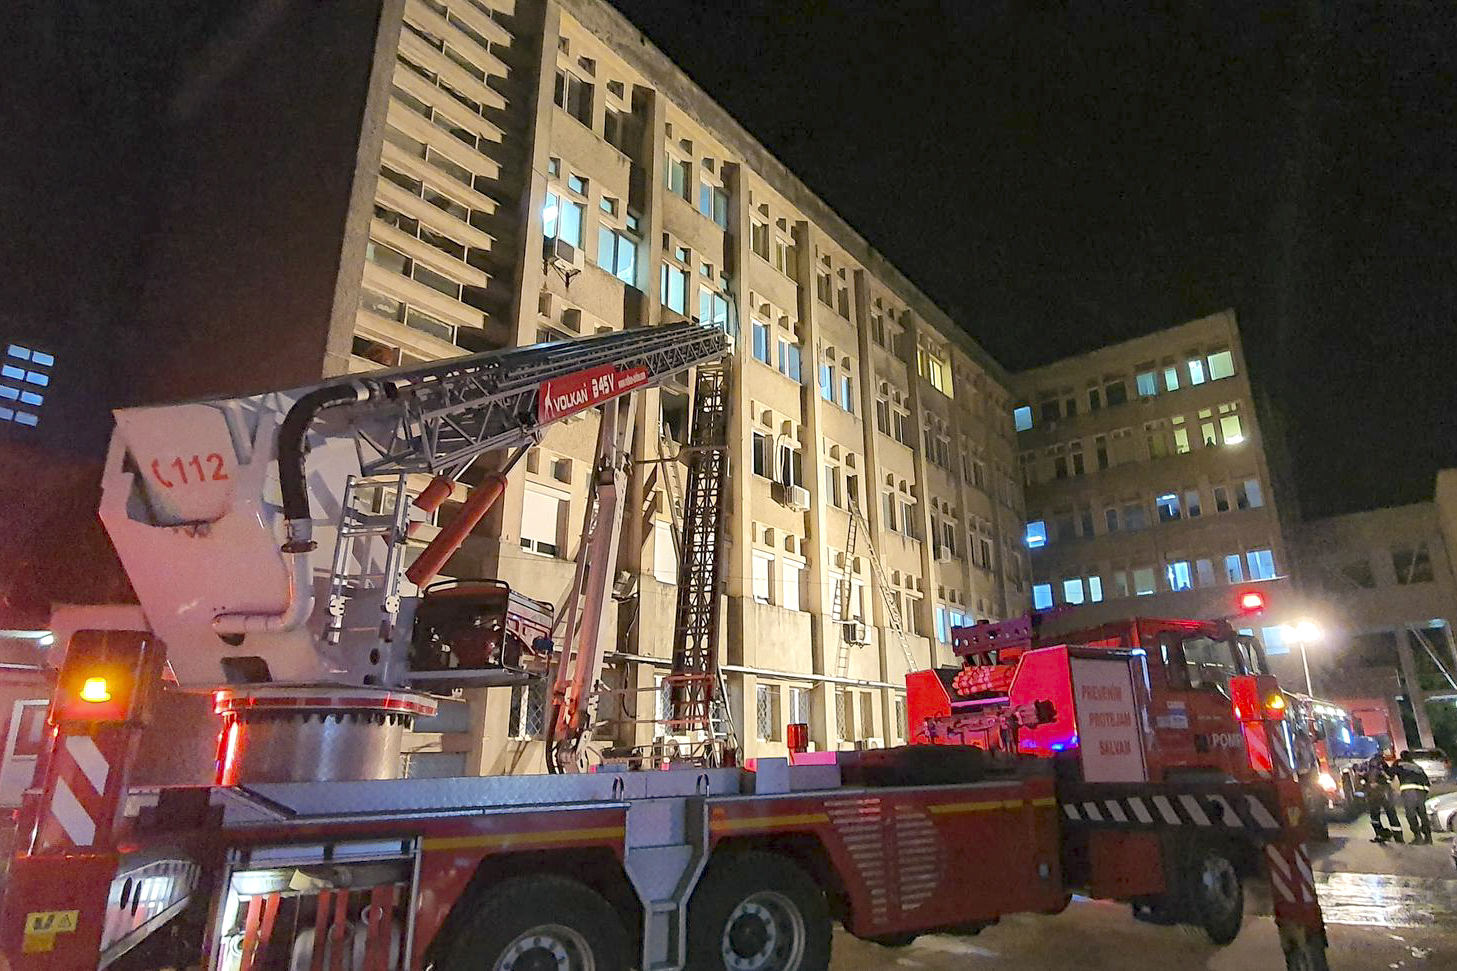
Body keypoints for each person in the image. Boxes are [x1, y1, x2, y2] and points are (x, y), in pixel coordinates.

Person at [1392, 750, 1433, 844]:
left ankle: (1418, 837)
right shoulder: (1417, 767)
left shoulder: (1399, 764)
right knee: (1423, 815)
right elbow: (1427, 782)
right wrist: (1424, 793)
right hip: (1421, 793)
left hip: (1409, 793)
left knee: (1411, 815)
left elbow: (1390, 774)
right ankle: (1428, 837)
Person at [1364, 753, 1403, 843]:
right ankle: (1398, 837)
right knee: (1391, 813)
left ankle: (1379, 834)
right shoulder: (1383, 765)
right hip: (1385, 792)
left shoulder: (1370, 766)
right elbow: (1391, 777)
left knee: (1375, 815)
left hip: (1373, 794)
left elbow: (1366, 779)